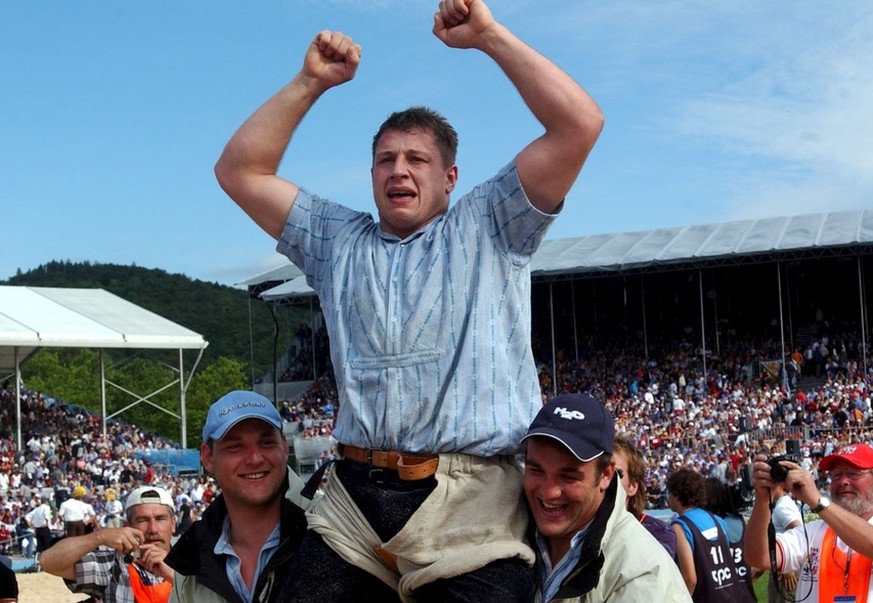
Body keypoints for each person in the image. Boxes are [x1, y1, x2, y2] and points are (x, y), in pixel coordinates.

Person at [214, 0, 603, 600]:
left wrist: (490, 36)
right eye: (385, 160)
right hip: (354, 500)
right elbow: (240, 171)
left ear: (449, 177)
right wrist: (310, 82)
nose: (400, 170)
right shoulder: (338, 241)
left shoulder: (488, 224)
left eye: (417, 160)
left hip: (469, 498)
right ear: (371, 175)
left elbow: (579, 123)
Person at [521, 393, 689, 602]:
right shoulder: (510, 528)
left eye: (568, 476)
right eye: (536, 470)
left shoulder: (643, 575)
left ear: (606, 475)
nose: (548, 491)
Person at [165, 390, 309, 603]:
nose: (254, 458)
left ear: (285, 447)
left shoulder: (333, 530)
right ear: (208, 458)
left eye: (266, 442)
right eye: (235, 447)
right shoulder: (191, 561)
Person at [745, 443, 873, 603]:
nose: (843, 482)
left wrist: (817, 500)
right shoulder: (814, 532)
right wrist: (763, 499)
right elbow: (759, 557)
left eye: (853, 474)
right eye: (836, 475)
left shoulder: (818, 515)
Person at [39, 485, 177, 603]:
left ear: (173, 524)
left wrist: (174, 576)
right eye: (142, 520)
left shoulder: (193, 565)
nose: (152, 529)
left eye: (160, 519)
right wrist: (99, 537)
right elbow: (47, 561)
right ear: (127, 526)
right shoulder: (113, 566)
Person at [666, 468, 755, 602]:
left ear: (677, 495)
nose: (667, 498)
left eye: (669, 493)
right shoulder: (715, 520)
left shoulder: (680, 526)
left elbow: (690, 579)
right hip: (731, 595)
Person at [612, 434, 677, 559]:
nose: (606, 480)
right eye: (600, 472)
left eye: (616, 474)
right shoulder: (579, 530)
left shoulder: (658, 533)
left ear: (632, 486)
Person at [765, 480, 802, 603]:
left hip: (785, 571)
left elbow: (798, 531)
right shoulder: (783, 504)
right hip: (783, 567)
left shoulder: (782, 507)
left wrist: (787, 567)